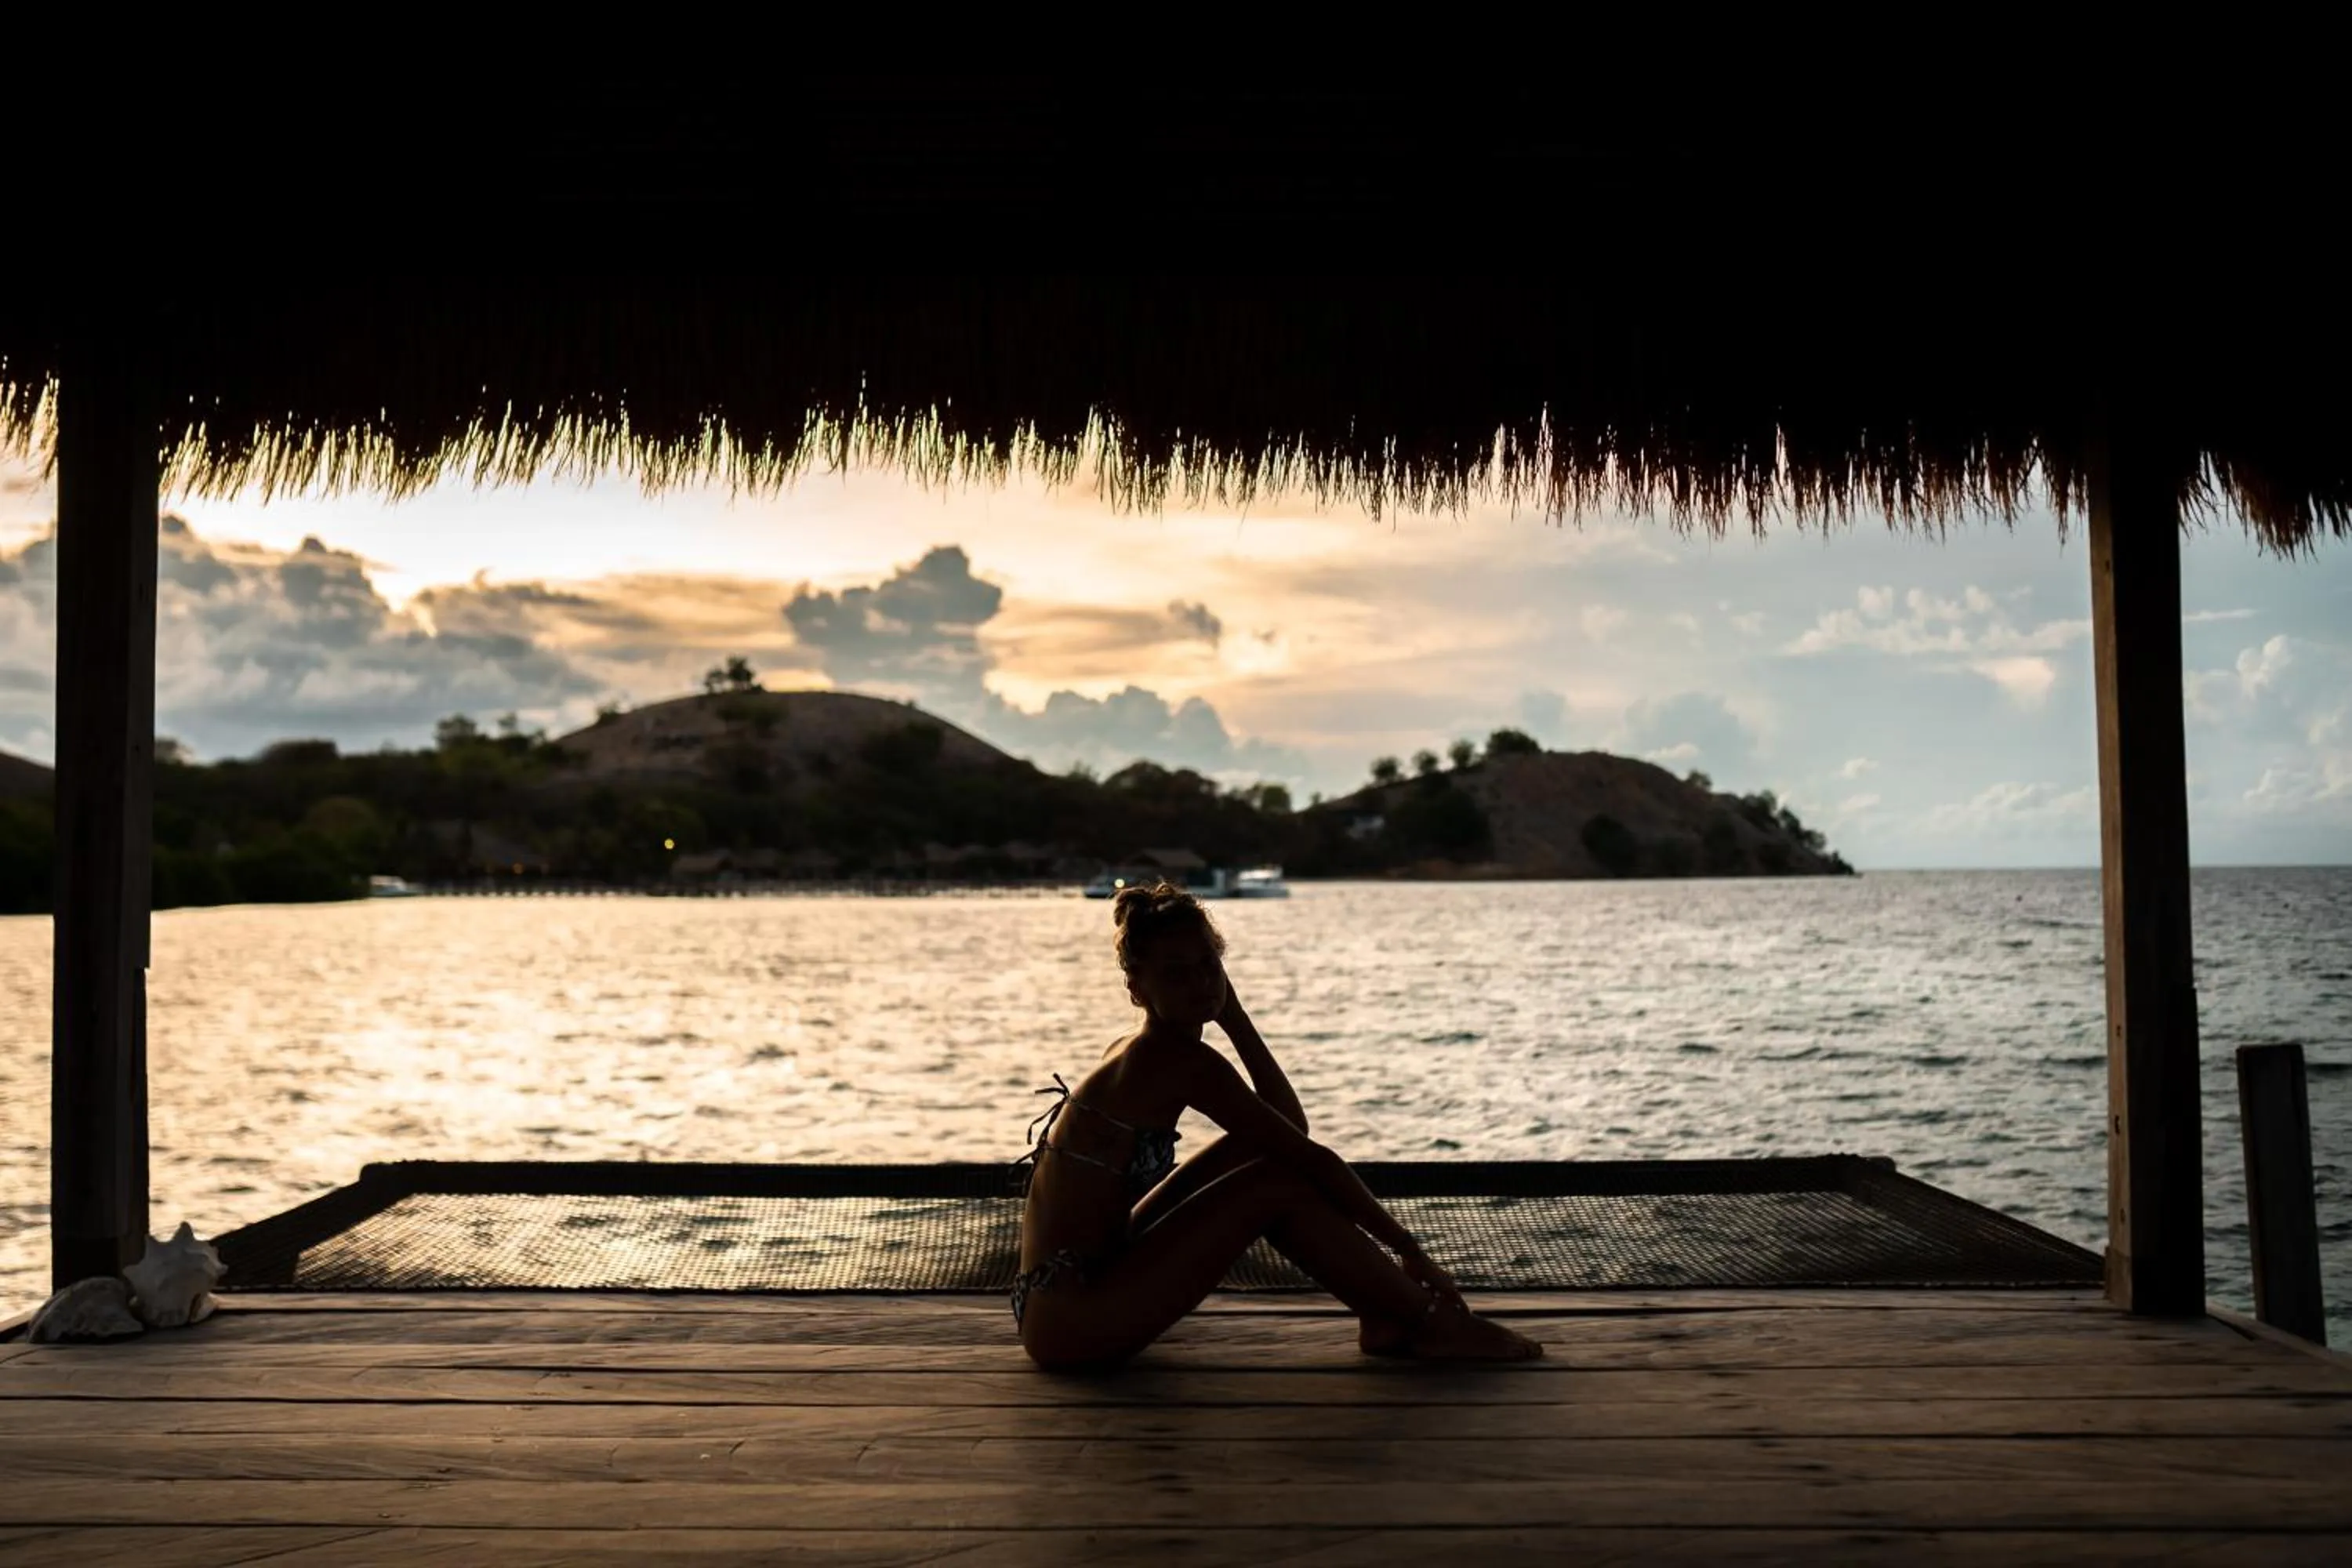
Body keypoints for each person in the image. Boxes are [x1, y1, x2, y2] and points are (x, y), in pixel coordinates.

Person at [1012, 881, 1544, 1368]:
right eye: (1176, 973)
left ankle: (1386, 1314)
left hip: (1061, 1303)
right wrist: (1409, 1249)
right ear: (1136, 986)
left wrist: (1234, 1016)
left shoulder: (1143, 1047)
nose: (1199, 983)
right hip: (1075, 1322)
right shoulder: (1172, 1060)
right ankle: (1432, 1322)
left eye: (1209, 966)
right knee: (1275, 1182)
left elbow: (1286, 1126)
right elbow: (1310, 1157)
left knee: (1259, 1155)